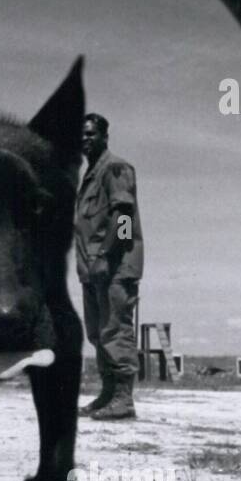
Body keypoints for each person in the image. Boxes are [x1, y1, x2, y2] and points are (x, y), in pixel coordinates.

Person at [74, 112, 143, 420]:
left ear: (104, 136)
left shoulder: (115, 168)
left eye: (90, 134)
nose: (85, 140)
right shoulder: (90, 176)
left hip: (113, 267)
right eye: (81, 135)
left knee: (115, 329)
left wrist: (107, 256)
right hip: (91, 269)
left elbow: (124, 218)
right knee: (98, 332)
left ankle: (123, 399)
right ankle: (107, 393)